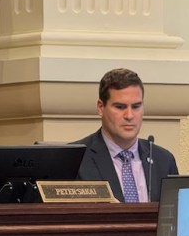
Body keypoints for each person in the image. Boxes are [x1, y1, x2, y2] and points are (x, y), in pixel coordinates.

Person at [73, 68, 178, 202]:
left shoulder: (163, 160)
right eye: (120, 107)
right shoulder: (77, 159)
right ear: (100, 107)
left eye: (136, 107)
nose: (129, 116)